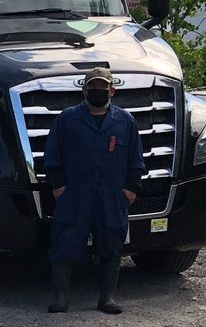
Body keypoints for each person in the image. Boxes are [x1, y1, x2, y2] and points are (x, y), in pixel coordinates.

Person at [44, 71, 144, 314]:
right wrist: (58, 188)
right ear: (84, 90)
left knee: (111, 243)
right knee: (65, 243)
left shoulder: (125, 121)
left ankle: (106, 298)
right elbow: (52, 157)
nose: (97, 90)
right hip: (74, 195)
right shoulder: (67, 119)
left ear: (112, 90)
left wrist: (129, 190)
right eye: (93, 86)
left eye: (103, 86)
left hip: (111, 196)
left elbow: (136, 160)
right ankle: (61, 299)